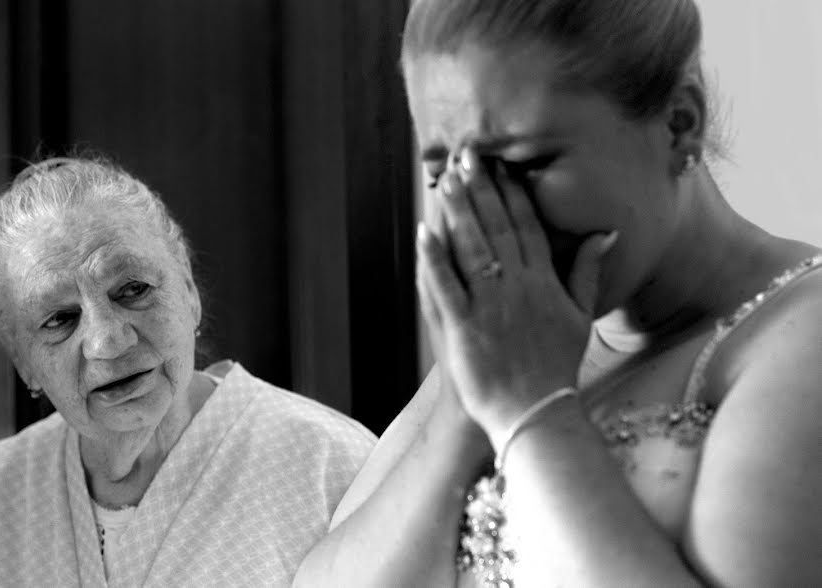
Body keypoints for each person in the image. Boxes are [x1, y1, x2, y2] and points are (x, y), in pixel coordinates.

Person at [294, 0, 822, 586]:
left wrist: (532, 410)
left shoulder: (800, 335)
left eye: (526, 162)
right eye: (445, 174)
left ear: (680, 124)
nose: (485, 215)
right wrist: (464, 414)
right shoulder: (508, 339)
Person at [0, 157, 376, 587]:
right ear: (25, 363)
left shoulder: (333, 466)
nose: (107, 341)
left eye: (132, 289)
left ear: (189, 292)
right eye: (59, 319)